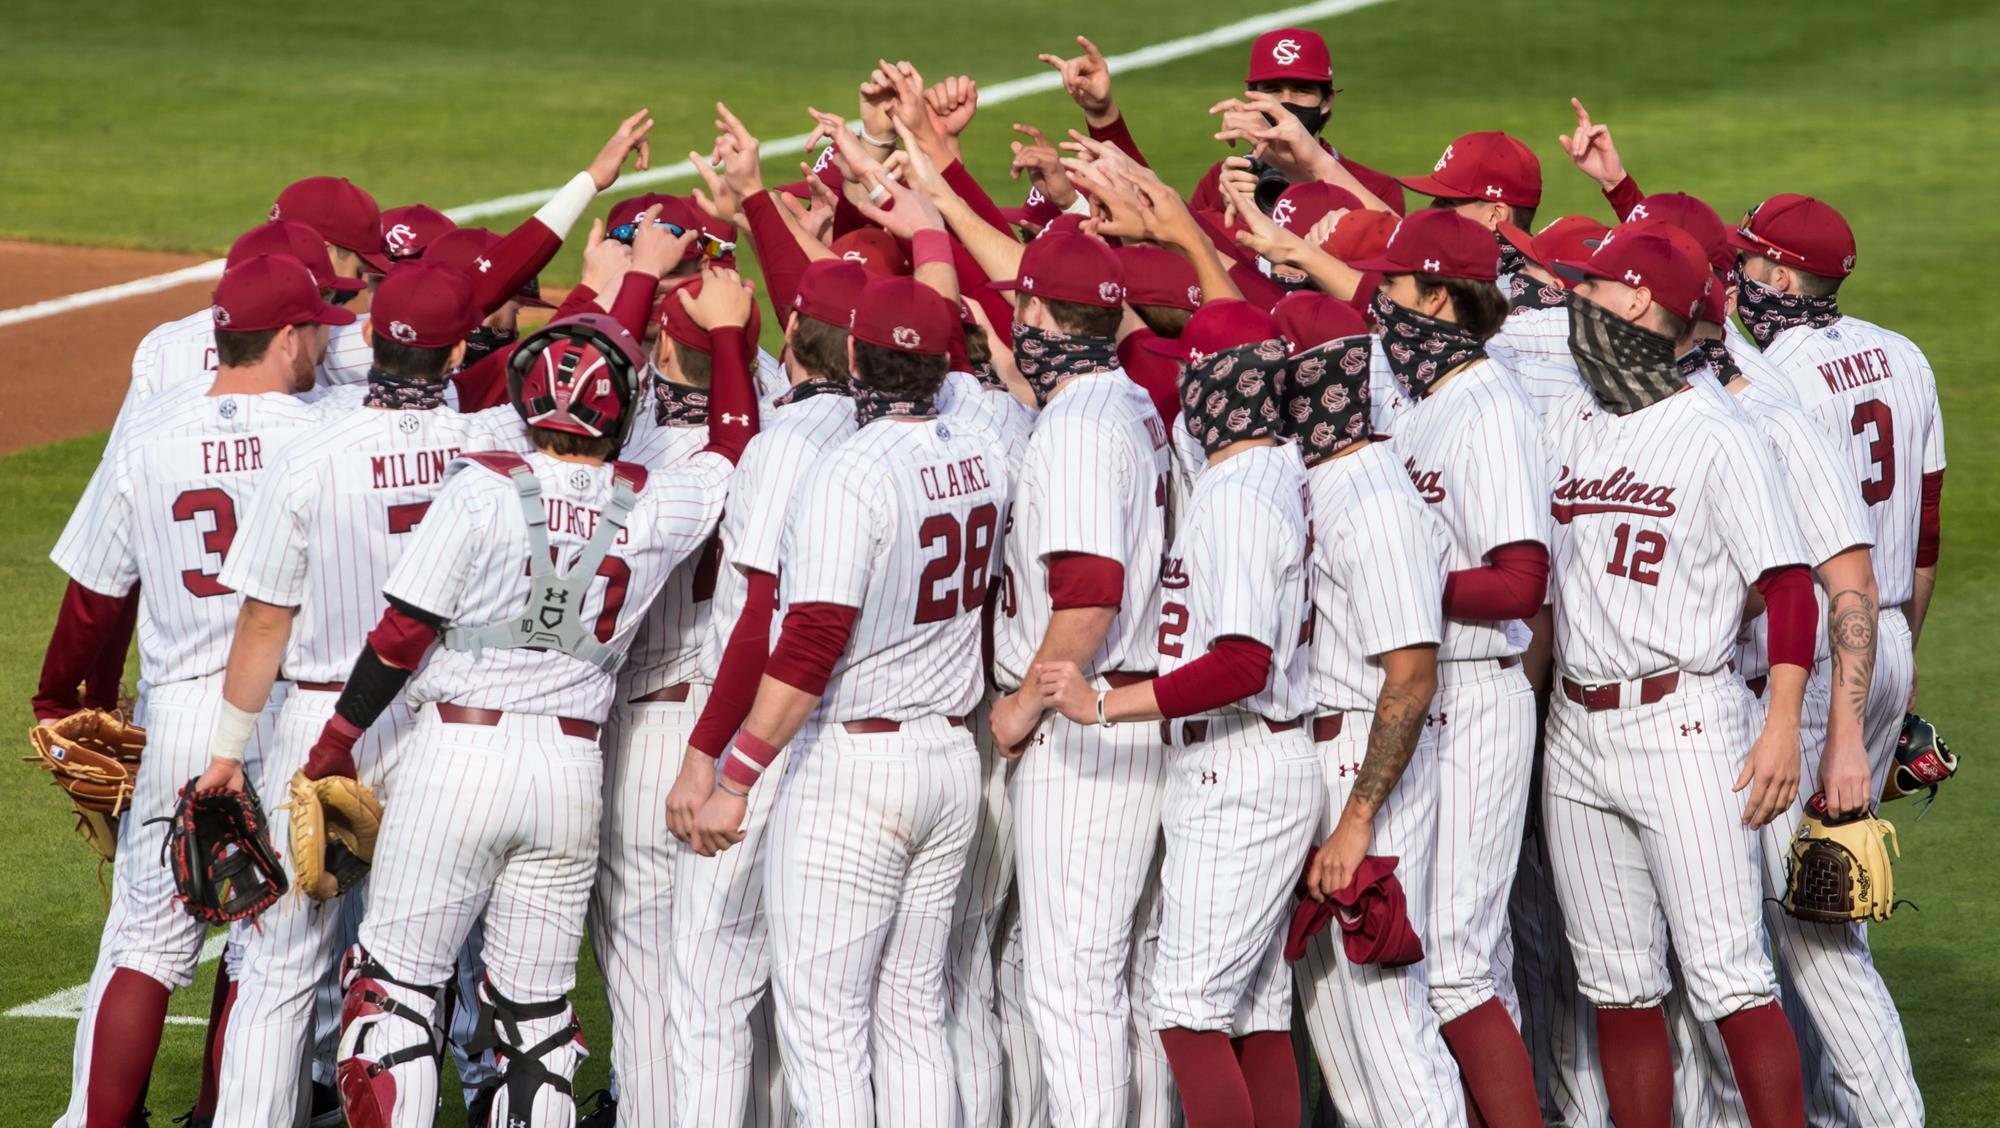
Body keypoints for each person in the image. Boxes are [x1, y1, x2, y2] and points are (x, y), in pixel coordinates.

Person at [314, 270, 756, 1127]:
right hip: (569, 771)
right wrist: (733, 339)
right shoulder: (654, 504)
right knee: (537, 1022)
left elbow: (402, 634)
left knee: (395, 992)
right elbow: (736, 443)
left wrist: (335, 742)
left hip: (456, 759)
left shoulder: (480, 486)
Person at [685, 254, 1014, 1127]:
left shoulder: (852, 471)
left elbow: (811, 640)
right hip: (949, 754)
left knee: (825, 1027)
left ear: (857, 360)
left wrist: (736, 777)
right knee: (913, 1013)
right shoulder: (983, 450)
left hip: (854, 769)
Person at [42, 253, 351, 1128]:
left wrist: (60, 699)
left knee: (146, 939)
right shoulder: (320, 430)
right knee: (271, 955)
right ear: (288, 336)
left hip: (177, 709)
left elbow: (98, 592)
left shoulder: (147, 433)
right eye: (317, 328)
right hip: (287, 708)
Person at [180, 263, 487, 1128]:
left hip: (323, 722)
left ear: (372, 341)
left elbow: (263, 624)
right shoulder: (489, 447)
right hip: (443, 727)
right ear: (458, 348)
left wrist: (227, 755)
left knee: (278, 965)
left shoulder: (311, 452)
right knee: (418, 966)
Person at [1542, 223, 1812, 1128]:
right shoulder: (1569, 416)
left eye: (1589, 285)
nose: (1573, 298)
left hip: (1684, 725)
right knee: (1616, 985)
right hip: (1574, 731)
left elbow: (1788, 586)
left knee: (1729, 976)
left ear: (1634, 302)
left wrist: (1780, 724)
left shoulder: (1717, 432)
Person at [1037, 300, 1320, 1128]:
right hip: (1261, 758)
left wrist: (1103, 705)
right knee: (1255, 1009)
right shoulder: (1277, 467)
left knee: (1188, 1011)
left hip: (1242, 765)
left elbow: (1241, 662)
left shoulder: (1237, 497)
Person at [1729, 192, 1936, 1125]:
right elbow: (1924, 535)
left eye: (1745, 262)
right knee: (1824, 906)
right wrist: (1902, 665)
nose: (1732, 276)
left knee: (1810, 930)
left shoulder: (1772, 376)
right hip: (1885, 633)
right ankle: (1828, 1110)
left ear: (1775, 274)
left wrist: (1848, 723)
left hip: (1818, 659)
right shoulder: (1904, 355)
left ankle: (1889, 1116)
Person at [1350, 208, 1550, 1126]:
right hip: (1433, 695)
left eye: (1393, 285)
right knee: (1438, 955)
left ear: (1438, 296)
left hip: (1477, 697)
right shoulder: (1427, 396)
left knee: (1460, 962)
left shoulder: (1490, 408)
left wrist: (1398, 583)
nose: (1379, 300)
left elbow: (1520, 583)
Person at [982, 229, 1172, 1128]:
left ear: (1035, 313)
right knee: (1121, 978)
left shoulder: (1077, 428)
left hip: (1089, 725)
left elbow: (1091, 590)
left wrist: (1024, 705)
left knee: (1073, 984)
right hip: (1132, 714)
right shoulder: (1128, 400)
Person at [1270, 293, 1467, 1127]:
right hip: (1319, 755)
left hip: (1364, 763)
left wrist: (1357, 821)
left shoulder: (1373, 502)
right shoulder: (1314, 482)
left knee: (1387, 1015)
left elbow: (1411, 677)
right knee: (1335, 1021)